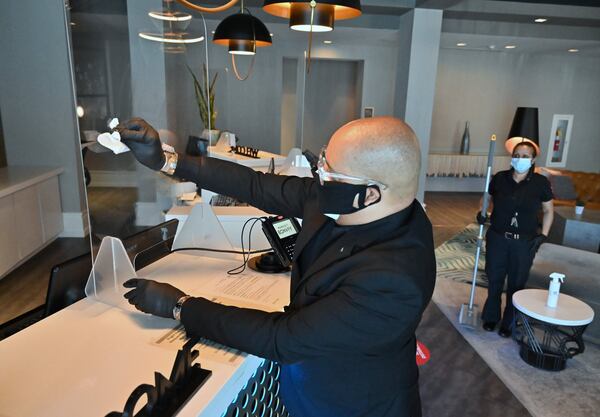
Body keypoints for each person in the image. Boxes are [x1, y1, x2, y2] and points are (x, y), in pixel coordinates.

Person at [118, 116, 436, 417]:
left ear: (369, 194)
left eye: (330, 171)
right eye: (323, 160)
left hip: (353, 405)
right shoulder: (346, 200)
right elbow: (258, 186)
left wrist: (180, 306)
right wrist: (167, 161)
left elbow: (283, 339)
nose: (318, 174)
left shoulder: (395, 280)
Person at [478, 141, 554, 337]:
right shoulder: (500, 178)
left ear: (533, 160)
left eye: (525, 156)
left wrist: (543, 235)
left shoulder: (541, 183)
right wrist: (482, 212)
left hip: (524, 242)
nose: (520, 159)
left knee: (516, 283)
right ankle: (491, 316)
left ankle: (509, 322)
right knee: (494, 279)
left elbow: (548, 211)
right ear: (512, 157)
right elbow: (486, 197)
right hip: (498, 238)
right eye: (517, 155)